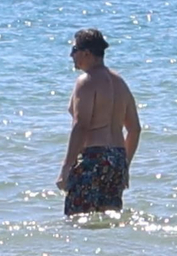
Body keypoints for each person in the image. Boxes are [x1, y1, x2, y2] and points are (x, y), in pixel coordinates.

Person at [57, 28, 141, 216]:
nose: (71, 55)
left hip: (93, 158)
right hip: (117, 159)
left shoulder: (86, 82)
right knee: (109, 221)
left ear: (86, 52)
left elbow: (81, 125)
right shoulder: (120, 82)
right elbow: (135, 129)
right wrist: (124, 165)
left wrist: (66, 167)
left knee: (77, 220)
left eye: (74, 49)